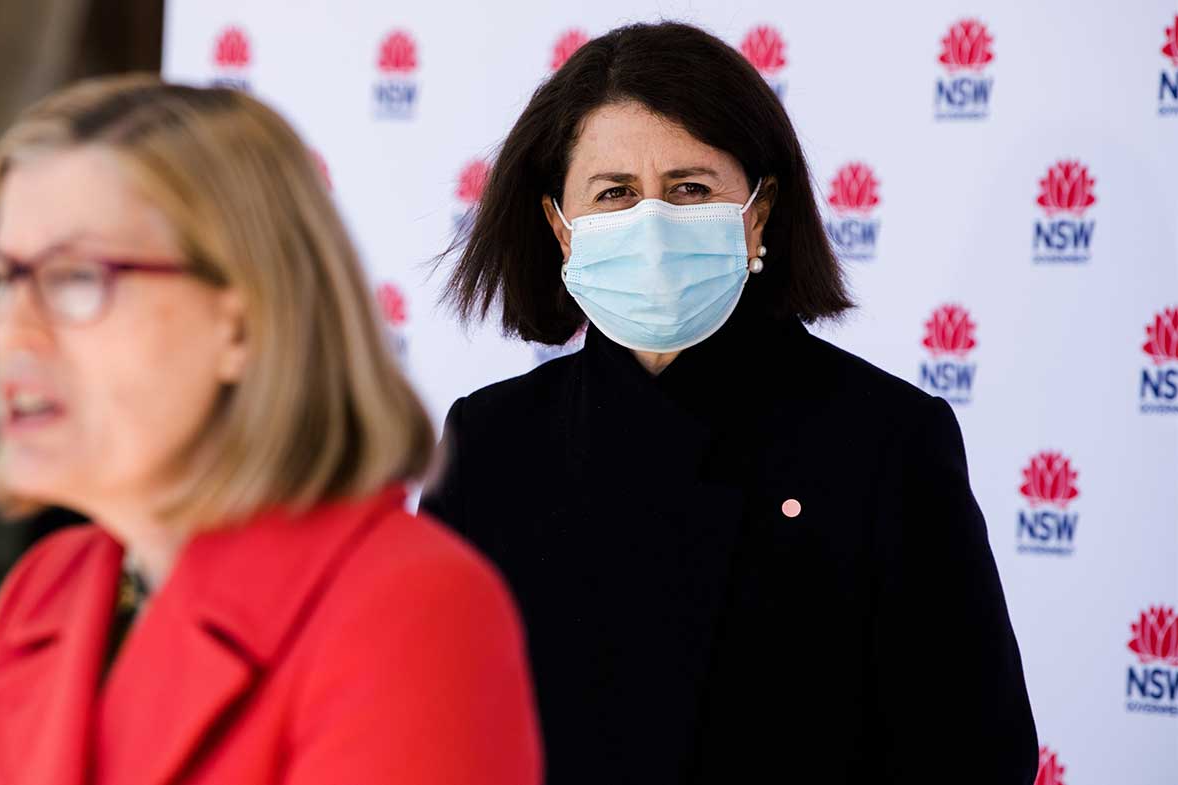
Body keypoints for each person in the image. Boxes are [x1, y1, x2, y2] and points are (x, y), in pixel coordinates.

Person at [422, 22, 1037, 785]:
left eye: (690, 188)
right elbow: (431, 735)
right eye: (614, 194)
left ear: (758, 209)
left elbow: (976, 754)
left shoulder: (885, 440)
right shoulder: (489, 443)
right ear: (560, 226)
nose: (650, 224)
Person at [0, 75, 541, 785]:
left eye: (75, 277)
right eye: (5, 278)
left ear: (243, 322)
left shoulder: (410, 608)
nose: (14, 330)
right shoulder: (42, 595)